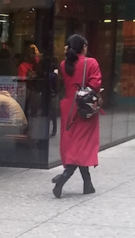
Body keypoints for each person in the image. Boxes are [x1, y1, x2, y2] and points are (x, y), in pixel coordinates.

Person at [53, 34, 102, 198]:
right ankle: (64, 178)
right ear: (84, 47)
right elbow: (95, 84)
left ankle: (88, 184)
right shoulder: (91, 62)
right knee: (83, 145)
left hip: (69, 107)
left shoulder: (63, 64)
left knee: (75, 144)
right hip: (84, 108)